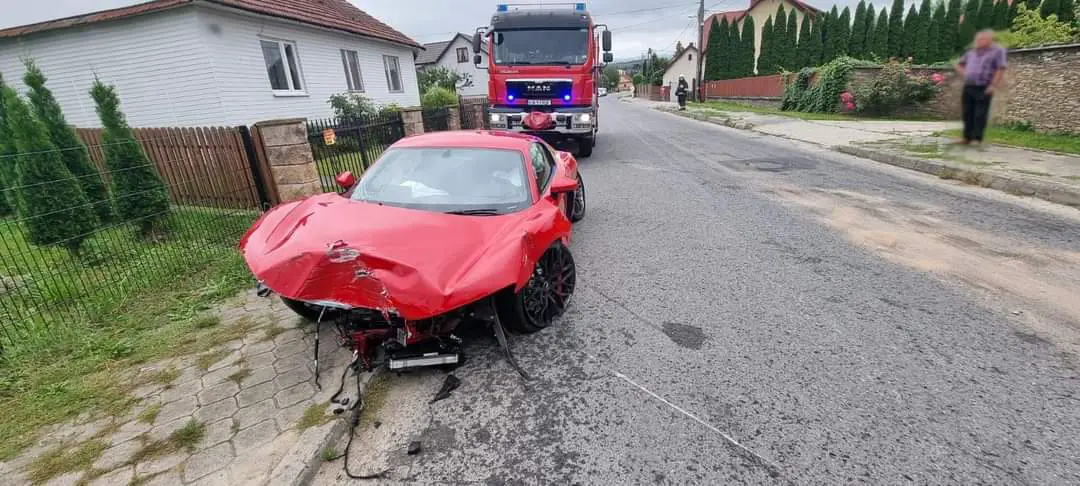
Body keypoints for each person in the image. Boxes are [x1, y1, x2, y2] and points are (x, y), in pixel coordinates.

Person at [955, 30, 1007, 145]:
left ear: (989, 40)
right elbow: (959, 64)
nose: (978, 41)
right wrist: (965, 74)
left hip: (984, 86)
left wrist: (993, 85)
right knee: (967, 112)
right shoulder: (971, 52)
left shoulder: (997, 51)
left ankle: (977, 139)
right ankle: (967, 138)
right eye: (977, 39)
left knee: (980, 113)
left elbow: (1001, 68)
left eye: (981, 39)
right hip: (969, 85)